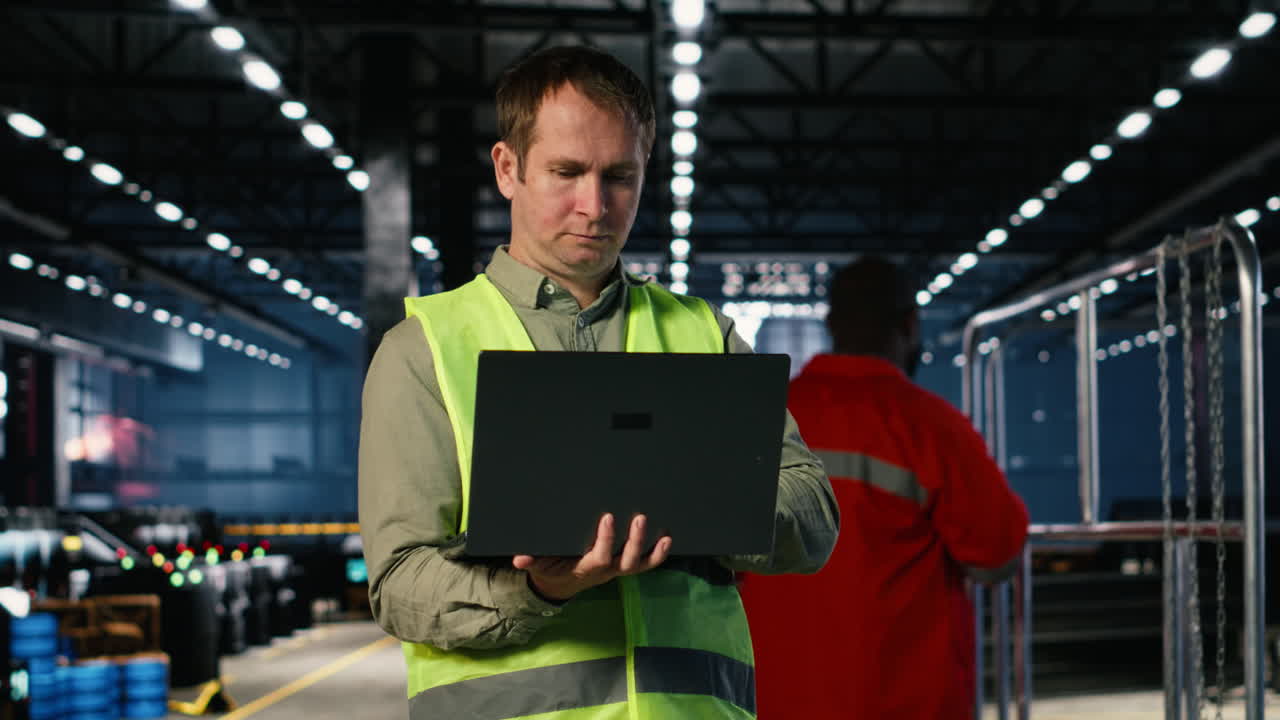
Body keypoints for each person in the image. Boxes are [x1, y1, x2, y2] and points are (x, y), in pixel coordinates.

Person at [358, 45, 839, 720]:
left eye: (620, 175)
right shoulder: (424, 351)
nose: (595, 205)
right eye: (567, 172)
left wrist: (691, 501)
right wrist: (540, 592)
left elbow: (814, 520)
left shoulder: (706, 336)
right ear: (507, 168)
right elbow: (400, 581)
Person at [738, 256, 1030, 719]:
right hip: (903, 703)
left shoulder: (763, 416)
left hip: (772, 699)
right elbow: (997, 554)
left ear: (832, 323)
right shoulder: (931, 426)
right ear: (910, 325)